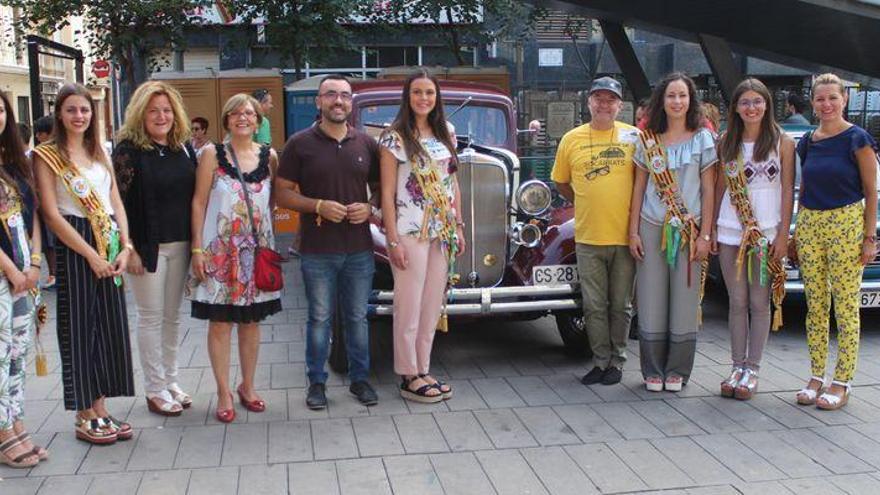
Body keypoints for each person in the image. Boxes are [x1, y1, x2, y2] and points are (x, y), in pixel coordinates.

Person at [33, 83, 135, 444]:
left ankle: (101, 405)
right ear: (60, 114)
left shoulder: (99, 151)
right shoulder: (46, 155)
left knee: (107, 326)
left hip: (108, 238)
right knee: (79, 328)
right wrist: (90, 255)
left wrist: (125, 246)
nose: (79, 116)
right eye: (72, 109)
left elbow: (116, 202)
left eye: (85, 110)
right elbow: (50, 212)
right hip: (75, 241)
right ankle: (83, 412)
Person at [274, 74, 380, 410]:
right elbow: (282, 193)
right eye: (331, 95)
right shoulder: (299, 144)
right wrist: (317, 205)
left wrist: (371, 206)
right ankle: (316, 383)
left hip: (360, 248)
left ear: (351, 103)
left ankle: (360, 380)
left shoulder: (366, 143)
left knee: (357, 317)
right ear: (319, 102)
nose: (338, 101)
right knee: (319, 318)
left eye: (345, 96)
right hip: (317, 249)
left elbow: (382, 188)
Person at [187, 94, 281, 422]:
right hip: (220, 252)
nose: (243, 118)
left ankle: (248, 386)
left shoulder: (270, 157)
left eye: (250, 113)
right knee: (221, 322)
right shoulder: (212, 154)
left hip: (255, 254)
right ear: (227, 120)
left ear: (258, 121)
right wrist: (197, 249)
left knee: (252, 322)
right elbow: (198, 202)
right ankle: (223, 390)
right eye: (236, 113)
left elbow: (270, 204)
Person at [793, 73, 878, 410]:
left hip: (846, 222)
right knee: (816, 304)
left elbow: (871, 192)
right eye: (820, 99)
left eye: (832, 98)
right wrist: (798, 232)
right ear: (813, 104)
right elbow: (804, 189)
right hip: (812, 222)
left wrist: (869, 238)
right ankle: (816, 375)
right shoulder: (808, 142)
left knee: (845, 306)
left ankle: (842, 381)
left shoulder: (858, 139)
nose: (826, 104)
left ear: (844, 99)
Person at [629, 72, 717, 392]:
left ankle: (678, 369)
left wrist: (706, 235)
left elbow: (709, 189)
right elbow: (638, 187)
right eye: (671, 96)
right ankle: (652, 368)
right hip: (651, 225)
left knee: (684, 299)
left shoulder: (703, 139)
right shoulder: (648, 139)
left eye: (682, 96)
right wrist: (633, 232)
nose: (677, 102)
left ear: (691, 100)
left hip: (690, 227)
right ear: (661, 101)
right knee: (651, 298)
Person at [378, 70, 463, 403]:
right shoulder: (394, 137)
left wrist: (459, 225)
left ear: (437, 96)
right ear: (407, 96)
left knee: (431, 304)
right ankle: (407, 373)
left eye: (429, 92)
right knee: (408, 305)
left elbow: (452, 183)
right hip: (410, 230)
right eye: (417, 92)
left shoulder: (447, 134)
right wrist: (392, 239)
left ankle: (423, 367)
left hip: (442, 231)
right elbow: (386, 193)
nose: (424, 98)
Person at [113, 81, 197, 416]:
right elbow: (115, 201)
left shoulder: (184, 148)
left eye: (166, 110)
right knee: (150, 317)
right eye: (153, 110)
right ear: (140, 114)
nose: (161, 116)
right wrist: (127, 246)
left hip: (181, 244)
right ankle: (154, 389)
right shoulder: (128, 151)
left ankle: (170, 380)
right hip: (147, 247)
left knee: (172, 317)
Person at [551, 76, 640, 386]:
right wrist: (584, 200)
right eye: (598, 98)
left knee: (621, 305)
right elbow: (561, 181)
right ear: (588, 102)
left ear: (620, 105)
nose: (604, 104)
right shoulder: (571, 139)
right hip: (588, 236)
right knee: (593, 306)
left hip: (625, 237)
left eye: (610, 99)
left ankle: (618, 360)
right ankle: (600, 360)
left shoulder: (634, 137)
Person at [712, 78, 795, 400]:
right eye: (744, 102)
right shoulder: (726, 142)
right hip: (732, 229)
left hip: (765, 232)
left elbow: (787, 188)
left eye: (757, 101)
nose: (751, 107)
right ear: (735, 108)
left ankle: (753, 369)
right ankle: (736, 366)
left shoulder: (781, 142)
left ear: (766, 105)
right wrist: (711, 229)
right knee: (737, 301)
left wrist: (784, 233)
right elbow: (719, 188)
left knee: (760, 303)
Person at [0, 93, 44, 467]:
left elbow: (33, 218)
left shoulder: (16, 163)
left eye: (0, 109)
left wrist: (34, 265)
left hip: (24, 273)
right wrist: (12, 270)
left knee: (17, 353)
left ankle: (15, 421)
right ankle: (2, 432)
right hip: (3, 275)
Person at [32, 115, 56, 288]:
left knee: (50, 243)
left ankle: (54, 274)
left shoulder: (41, 155)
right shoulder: (38, 155)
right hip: (44, 207)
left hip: (47, 206)